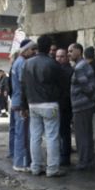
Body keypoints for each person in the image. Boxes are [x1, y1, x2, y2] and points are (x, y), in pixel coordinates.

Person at [21, 35, 66, 177]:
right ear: (49, 48)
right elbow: (62, 85)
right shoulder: (53, 64)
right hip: (50, 103)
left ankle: (36, 166)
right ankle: (52, 168)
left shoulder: (27, 63)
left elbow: (23, 86)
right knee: (52, 137)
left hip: (33, 104)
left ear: (37, 47)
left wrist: (24, 106)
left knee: (35, 136)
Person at [69, 43, 95, 171]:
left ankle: (84, 162)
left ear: (79, 51)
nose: (69, 53)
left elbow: (86, 86)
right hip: (87, 105)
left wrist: (93, 96)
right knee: (87, 134)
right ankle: (89, 161)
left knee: (81, 135)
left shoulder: (79, 67)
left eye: (71, 51)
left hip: (81, 106)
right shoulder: (86, 65)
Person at [9, 39, 37, 171]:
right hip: (21, 104)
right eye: (32, 49)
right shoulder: (22, 63)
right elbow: (23, 85)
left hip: (16, 102)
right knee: (23, 134)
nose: (34, 52)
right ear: (25, 50)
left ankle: (19, 161)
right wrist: (24, 105)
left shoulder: (17, 62)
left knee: (19, 133)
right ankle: (21, 163)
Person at [55, 48, 73, 167]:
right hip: (58, 105)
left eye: (62, 56)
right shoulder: (56, 69)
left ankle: (65, 157)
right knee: (59, 132)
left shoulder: (69, 71)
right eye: (57, 56)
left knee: (64, 132)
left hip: (65, 105)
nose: (59, 59)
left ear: (67, 57)